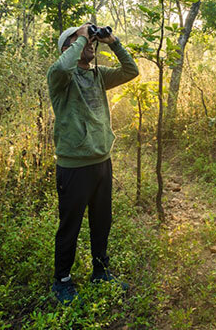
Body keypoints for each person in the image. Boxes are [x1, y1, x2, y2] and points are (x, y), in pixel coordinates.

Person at [48, 22, 139, 304]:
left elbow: (131, 71)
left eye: (89, 39)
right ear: (68, 48)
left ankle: (100, 271)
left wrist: (113, 42)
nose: (88, 42)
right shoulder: (60, 77)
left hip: (101, 159)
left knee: (102, 221)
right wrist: (79, 39)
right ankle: (62, 280)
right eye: (80, 40)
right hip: (73, 164)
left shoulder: (99, 75)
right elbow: (62, 68)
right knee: (70, 225)